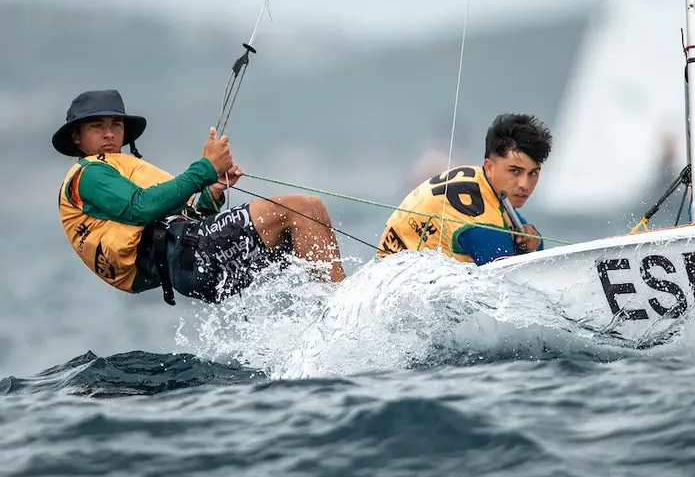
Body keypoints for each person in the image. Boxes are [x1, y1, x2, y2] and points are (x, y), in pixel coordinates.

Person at [54, 89, 346, 305]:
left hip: (191, 261)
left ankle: (326, 314)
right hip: (188, 258)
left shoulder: (117, 170)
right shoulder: (89, 175)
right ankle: (341, 311)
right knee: (302, 209)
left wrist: (212, 193)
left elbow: (183, 215)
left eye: (116, 125)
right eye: (97, 126)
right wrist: (205, 168)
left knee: (308, 216)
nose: (109, 133)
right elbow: (142, 208)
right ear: (77, 137)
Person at [377, 112, 552, 265]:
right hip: (400, 288)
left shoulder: (482, 181)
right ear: (489, 167)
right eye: (514, 171)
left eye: (533, 173)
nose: (524, 184)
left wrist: (532, 241)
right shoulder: (481, 220)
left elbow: (532, 251)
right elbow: (513, 282)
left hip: (390, 270)